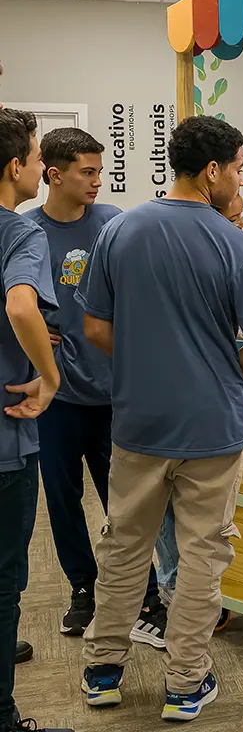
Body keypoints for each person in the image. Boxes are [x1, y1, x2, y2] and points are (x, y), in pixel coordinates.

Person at [75, 116, 243, 722]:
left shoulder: (121, 228)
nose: (242, 180)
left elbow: (93, 326)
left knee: (124, 545)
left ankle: (102, 671)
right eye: (240, 167)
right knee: (202, 554)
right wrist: (219, 364)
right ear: (213, 171)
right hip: (211, 425)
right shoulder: (233, 242)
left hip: (139, 419)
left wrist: (146, 357)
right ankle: (186, 684)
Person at [23, 128, 167, 645]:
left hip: (114, 394)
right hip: (57, 397)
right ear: (54, 175)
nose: (97, 181)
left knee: (126, 504)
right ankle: (84, 588)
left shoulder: (113, 222)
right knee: (62, 501)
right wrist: (35, 329)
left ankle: (146, 593)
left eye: (99, 171)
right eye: (87, 172)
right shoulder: (25, 230)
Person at [0, 108, 71, 732]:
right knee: (4, 578)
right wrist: (49, 378)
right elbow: (23, 304)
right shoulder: (20, 234)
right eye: (34, 153)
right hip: (6, 433)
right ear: (14, 166)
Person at [155, 187, 243, 608]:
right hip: (201, 409)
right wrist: (224, 372)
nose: (242, 219)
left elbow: (99, 328)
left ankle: (176, 587)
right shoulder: (230, 248)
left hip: (164, 405)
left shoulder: (144, 235)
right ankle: (181, 590)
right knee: (198, 522)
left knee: (165, 507)